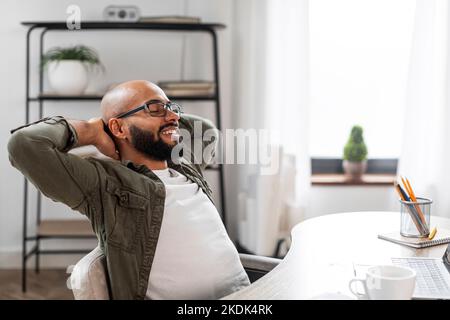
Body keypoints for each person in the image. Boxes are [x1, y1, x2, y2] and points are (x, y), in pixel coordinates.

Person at [8, 80, 250, 299]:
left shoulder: (187, 166)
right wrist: (91, 131)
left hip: (249, 294)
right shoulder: (107, 183)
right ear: (119, 128)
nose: (173, 116)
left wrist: (162, 116)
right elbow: (24, 145)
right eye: (154, 108)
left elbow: (206, 130)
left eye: (172, 107)